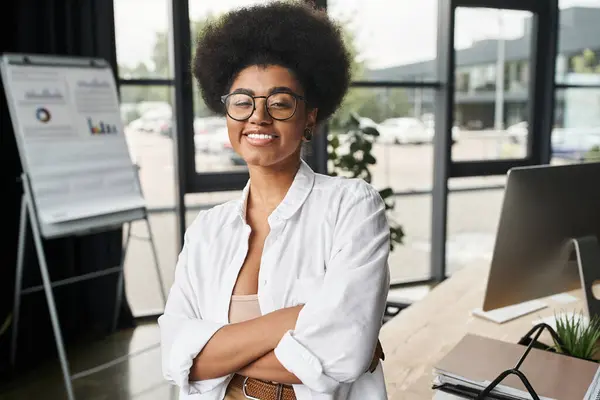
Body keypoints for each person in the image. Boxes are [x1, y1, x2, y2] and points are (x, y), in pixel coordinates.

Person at [157, 1, 391, 399]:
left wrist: (211, 349)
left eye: (280, 103)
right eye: (242, 101)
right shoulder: (207, 231)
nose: (258, 117)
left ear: (310, 117)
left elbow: (344, 355)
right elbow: (173, 356)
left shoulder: (351, 207)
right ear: (227, 111)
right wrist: (292, 322)